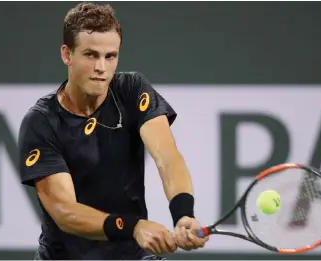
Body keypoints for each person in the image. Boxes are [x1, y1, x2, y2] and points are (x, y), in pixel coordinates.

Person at [18, 2, 208, 260]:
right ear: (67, 54)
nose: (101, 68)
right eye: (91, 55)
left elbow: (167, 156)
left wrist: (183, 212)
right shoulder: (41, 122)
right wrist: (134, 227)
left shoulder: (132, 90)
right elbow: (66, 212)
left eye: (110, 56)